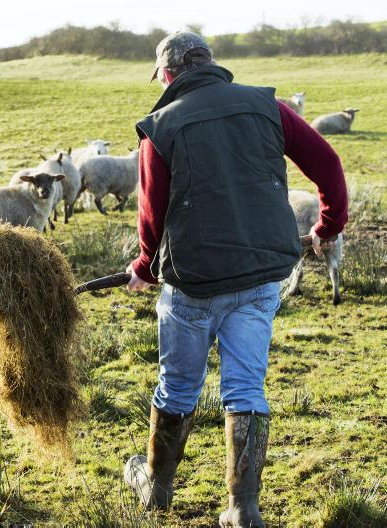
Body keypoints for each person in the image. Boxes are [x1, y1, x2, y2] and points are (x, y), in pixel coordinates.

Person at [122, 32, 348, 527]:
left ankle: (156, 490)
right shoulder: (268, 105)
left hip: (194, 282)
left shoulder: (160, 126)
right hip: (262, 273)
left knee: (178, 386)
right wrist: (327, 226)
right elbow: (328, 163)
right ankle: (243, 508)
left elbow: (151, 216)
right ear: (212, 63)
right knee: (246, 387)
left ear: (167, 73)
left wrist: (142, 267)